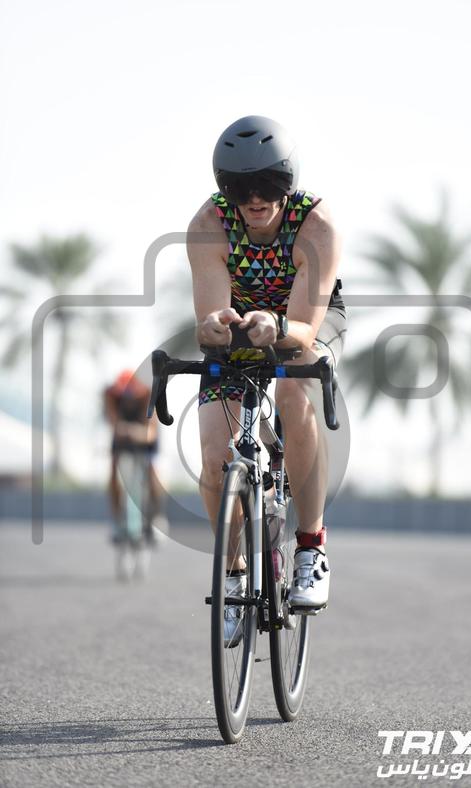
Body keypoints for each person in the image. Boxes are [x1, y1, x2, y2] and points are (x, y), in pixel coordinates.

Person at [187, 116, 347, 642]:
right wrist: (213, 325)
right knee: (216, 451)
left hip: (305, 322)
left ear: (288, 181)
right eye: (240, 187)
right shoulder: (209, 223)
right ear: (224, 188)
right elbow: (210, 322)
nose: (255, 199)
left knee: (294, 393)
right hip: (242, 327)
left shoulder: (316, 225)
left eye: (268, 184)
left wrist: (276, 325)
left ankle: (310, 548)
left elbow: (303, 332)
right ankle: (234, 573)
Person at [104, 370, 161, 544]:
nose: (128, 400)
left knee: (152, 470)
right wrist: (121, 429)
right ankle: (116, 519)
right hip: (122, 438)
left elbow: (151, 432)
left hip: (144, 437)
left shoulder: (147, 395)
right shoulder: (110, 395)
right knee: (113, 471)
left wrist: (135, 432)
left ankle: (156, 517)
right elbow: (113, 422)